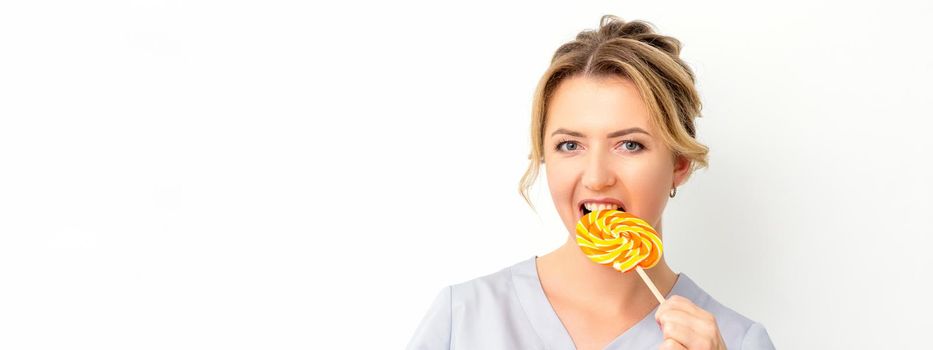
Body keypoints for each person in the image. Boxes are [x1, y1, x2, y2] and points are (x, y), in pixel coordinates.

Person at [407, 15, 776, 350]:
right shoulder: (463, 317)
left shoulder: (737, 341)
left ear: (679, 164)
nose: (597, 178)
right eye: (570, 145)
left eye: (630, 145)